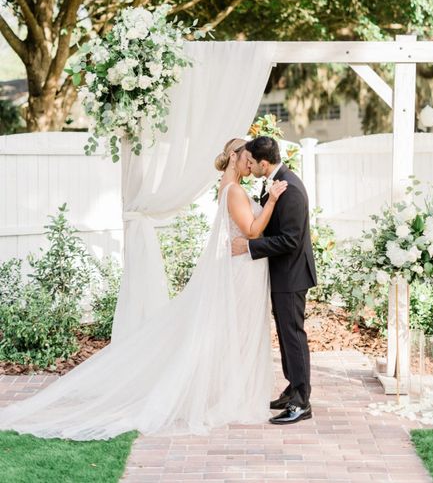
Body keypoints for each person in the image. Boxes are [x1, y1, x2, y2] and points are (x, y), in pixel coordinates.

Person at [0, 138, 287, 440]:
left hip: (243, 266)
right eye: (247, 155)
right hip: (242, 269)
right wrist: (271, 202)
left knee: (235, 332)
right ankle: (231, 395)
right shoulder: (234, 190)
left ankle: (231, 390)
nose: (252, 160)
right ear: (234, 156)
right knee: (236, 331)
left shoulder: (231, 185)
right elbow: (253, 231)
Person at [232, 136, 317, 425]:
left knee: (293, 336)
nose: (250, 166)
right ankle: (292, 388)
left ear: (264, 163)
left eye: (253, 162)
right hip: (283, 274)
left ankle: (301, 402)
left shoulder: (290, 189)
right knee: (286, 335)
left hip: (292, 274)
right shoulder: (278, 183)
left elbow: (291, 240)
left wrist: (250, 247)